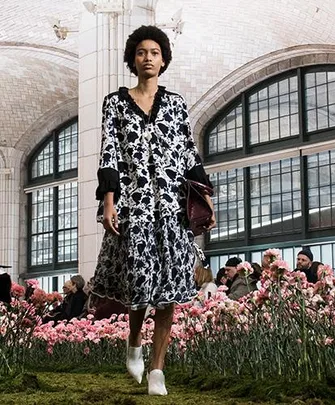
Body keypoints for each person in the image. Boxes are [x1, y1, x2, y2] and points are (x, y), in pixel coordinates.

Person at [91, 25, 215, 396]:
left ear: (163, 60)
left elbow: (189, 152)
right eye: (142, 52)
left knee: (170, 292)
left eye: (155, 52)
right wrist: (109, 202)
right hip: (135, 207)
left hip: (172, 209)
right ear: (132, 59)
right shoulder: (114, 103)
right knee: (140, 288)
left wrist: (205, 198)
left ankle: (157, 372)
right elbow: (109, 152)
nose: (148, 58)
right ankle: (133, 341)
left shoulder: (176, 103)